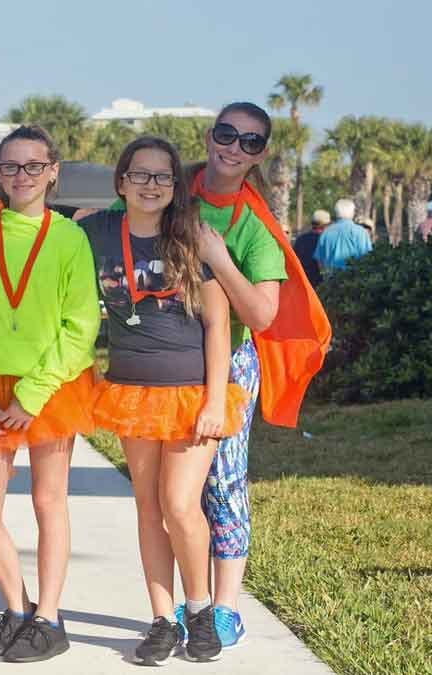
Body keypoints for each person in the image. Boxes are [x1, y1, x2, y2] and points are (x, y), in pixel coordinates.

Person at [84, 136, 248, 665]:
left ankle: (198, 612)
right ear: (122, 182)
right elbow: (34, 218)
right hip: (132, 391)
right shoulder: (96, 232)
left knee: (180, 504)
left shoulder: (193, 238)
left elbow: (219, 325)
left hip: (191, 392)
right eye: (140, 174)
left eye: (162, 176)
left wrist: (215, 401)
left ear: (175, 186)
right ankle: (161, 618)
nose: (151, 185)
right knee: (148, 506)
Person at [0, 125, 100, 662]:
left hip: (50, 385)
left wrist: (31, 394)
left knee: (47, 500)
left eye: (34, 166)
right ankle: (17, 607)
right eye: (10, 167)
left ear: (53, 171)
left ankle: (50, 619)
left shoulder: (69, 239)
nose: (22, 176)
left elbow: (79, 327)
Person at [188, 102, 331, 648]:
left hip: (231, 366)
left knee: (222, 480)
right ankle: (191, 601)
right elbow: (109, 225)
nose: (234, 146)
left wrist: (220, 260)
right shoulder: (176, 191)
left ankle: (226, 609)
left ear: (261, 154)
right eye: (227, 134)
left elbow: (263, 316)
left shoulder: (253, 225)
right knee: (178, 491)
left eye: (249, 142)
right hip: (172, 360)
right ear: (210, 135)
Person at [313, 198, 372, 273]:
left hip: (330, 280)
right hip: (354, 279)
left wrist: (325, 276)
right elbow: (367, 258)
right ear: (352, 213)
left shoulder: (326, 232)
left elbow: (319, 260)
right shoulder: (360, 232)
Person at [294, 209, 331, 288]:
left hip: (302, 285)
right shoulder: (326, 241)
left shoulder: (300, 239)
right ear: (326, 225)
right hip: (320, 286)